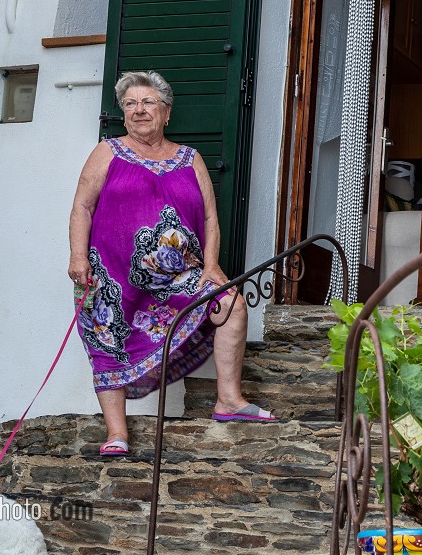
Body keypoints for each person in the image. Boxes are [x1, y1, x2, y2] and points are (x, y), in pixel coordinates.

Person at [68, 70, 278, 456]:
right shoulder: (108, 151)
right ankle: (117, 433)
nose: (138, 110)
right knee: (108, 342)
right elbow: (83, 205)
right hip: (111, 274)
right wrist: (78, 256)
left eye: (147, 102)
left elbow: (211, 217)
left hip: (180, 275)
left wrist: (212, 265)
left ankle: (229, 400)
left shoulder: (189, 158)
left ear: (167, 113)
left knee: (230, 301)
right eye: (130, 104)